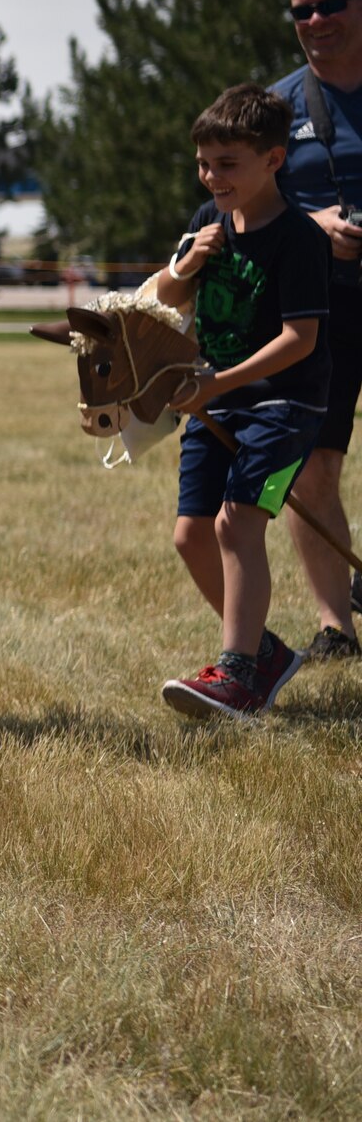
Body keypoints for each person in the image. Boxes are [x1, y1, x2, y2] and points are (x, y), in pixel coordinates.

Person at [154, 84, 329, 719]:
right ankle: (263, 653)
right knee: (190, 536)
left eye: (226, 164)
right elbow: (167, 301)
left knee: (236, 522)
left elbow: (299, 340)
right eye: (203, 163)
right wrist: (185, 268)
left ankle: (236, 675)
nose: (211, 176)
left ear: (273, 160)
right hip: (215, 402)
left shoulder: (300, 239)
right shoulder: (208, 224)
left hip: (286, 409)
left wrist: (218, 384)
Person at [270, 0, 362, 662]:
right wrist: (312, 228)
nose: (316, 21)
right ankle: (337, 626)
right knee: (311, 470)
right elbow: (237, 204)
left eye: (331, 4)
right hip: (318, 314)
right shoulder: (275, 109)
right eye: (303, 9)